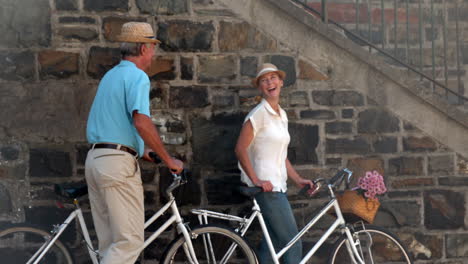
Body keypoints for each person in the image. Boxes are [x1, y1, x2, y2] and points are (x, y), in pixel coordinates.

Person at [85, 22, 183, 264]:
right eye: (152, 47)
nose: (153, 53)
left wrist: (142, 150)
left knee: (109, 245)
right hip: (117, 166)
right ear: (142, 48)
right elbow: (141, 122)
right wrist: (168, 158)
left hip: (96, 161)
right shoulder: (137, 76)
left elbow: (115, 124)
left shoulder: (111, 76)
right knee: (129, 242)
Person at [235, 63, 314, 264]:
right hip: (267, 190)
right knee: (292, 242)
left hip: (278, 187)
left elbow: (281, 155)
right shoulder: (258, 114)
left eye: (273, 78)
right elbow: (240, 149)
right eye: (264, 80)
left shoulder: (281, 114)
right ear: (260, 87)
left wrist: (298, 179)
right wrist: (256, 180)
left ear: (280, 82)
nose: (270, 82)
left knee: (274, 245)